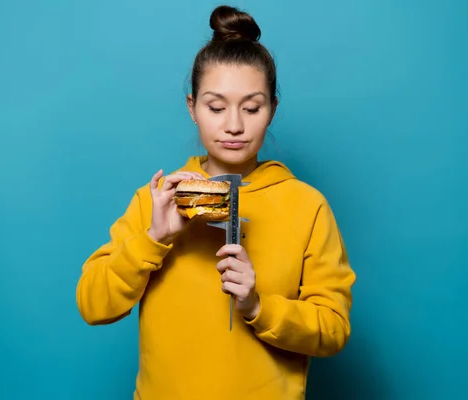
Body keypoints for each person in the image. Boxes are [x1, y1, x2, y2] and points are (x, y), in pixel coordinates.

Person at [76, 5, 356, 400]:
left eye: (252, 107)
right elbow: (93, 304)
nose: (234, 125)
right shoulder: (156, 200)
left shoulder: (307, 206)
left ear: (272, 109)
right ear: (192, 108)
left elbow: (334, 328)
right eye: (216, 106)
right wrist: (153, 238)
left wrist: (258, 307)